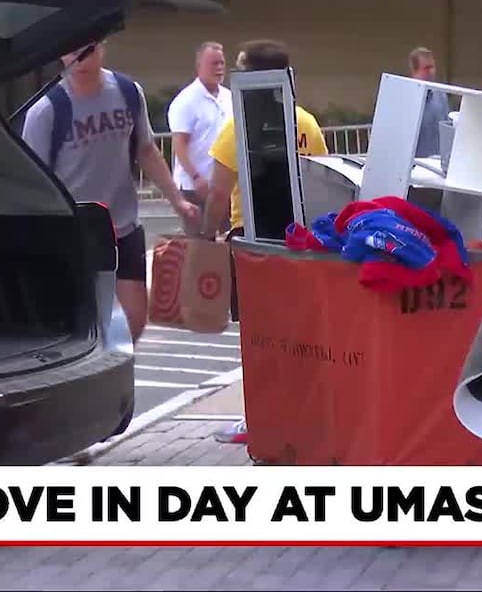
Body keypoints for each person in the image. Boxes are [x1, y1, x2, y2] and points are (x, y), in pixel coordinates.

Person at [22, 40, 198, 344]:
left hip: (122, 224)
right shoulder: (47, 110)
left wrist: (178, 200)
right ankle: (89, 375)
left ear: (101, 45)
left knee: (134, 318)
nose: (76, 55)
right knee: (78, 322)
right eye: (67, 48)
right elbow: (32, 179)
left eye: (84, 46)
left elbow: (146, 150)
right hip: (74, 229)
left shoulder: (128, 92)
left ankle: (109, 369)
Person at [201, 40, 330, 444]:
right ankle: (302, 413)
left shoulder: (238, 126)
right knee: (297, 335)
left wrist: (207, 236)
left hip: (252, 243)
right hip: (297, 243)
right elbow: (320, 183)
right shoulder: (305, 122)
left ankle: (260, 418)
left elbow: (218, 193)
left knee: (258, 336)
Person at [168, 41, 234, 234]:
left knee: (226, 240)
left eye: (222, 63)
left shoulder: (230, 97)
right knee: (199, 243)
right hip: (194, 187)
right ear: (199, 66)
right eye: (214, 63)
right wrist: (196, 177)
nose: (220, 68)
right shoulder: (186, 101)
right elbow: (179, 145)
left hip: (223, 187)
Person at [409, 47, 450, 158]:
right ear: (415, 70)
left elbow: (447, 131)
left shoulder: (441, 96)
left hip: (436, 164)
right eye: (427, 68)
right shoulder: (406, 100)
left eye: (433, 67)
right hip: (414, 165)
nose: (431, 72)